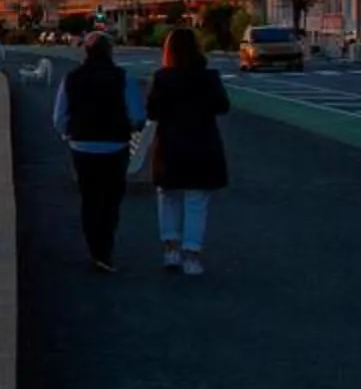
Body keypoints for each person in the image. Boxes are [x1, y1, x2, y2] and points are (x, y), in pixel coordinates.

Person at [145, 27, 231, 276]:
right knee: (196, 202)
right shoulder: (209, 77)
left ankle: (170, 250)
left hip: (170, 145)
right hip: (202, 144)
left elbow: (152, 111)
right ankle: (192, 255)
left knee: (168, 197)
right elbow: (222, 106)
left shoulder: (162, 78)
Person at [53, 31, 137, 273]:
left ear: (85, 52)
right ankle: (105, 249)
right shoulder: (123, 77)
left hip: (82, 146)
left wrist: (69, 134)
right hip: (116, 145)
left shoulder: (72, 78)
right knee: (111, 200)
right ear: (110, 52)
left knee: (89, 199)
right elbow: (137, 115)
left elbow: (59, 117)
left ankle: (95, 250)